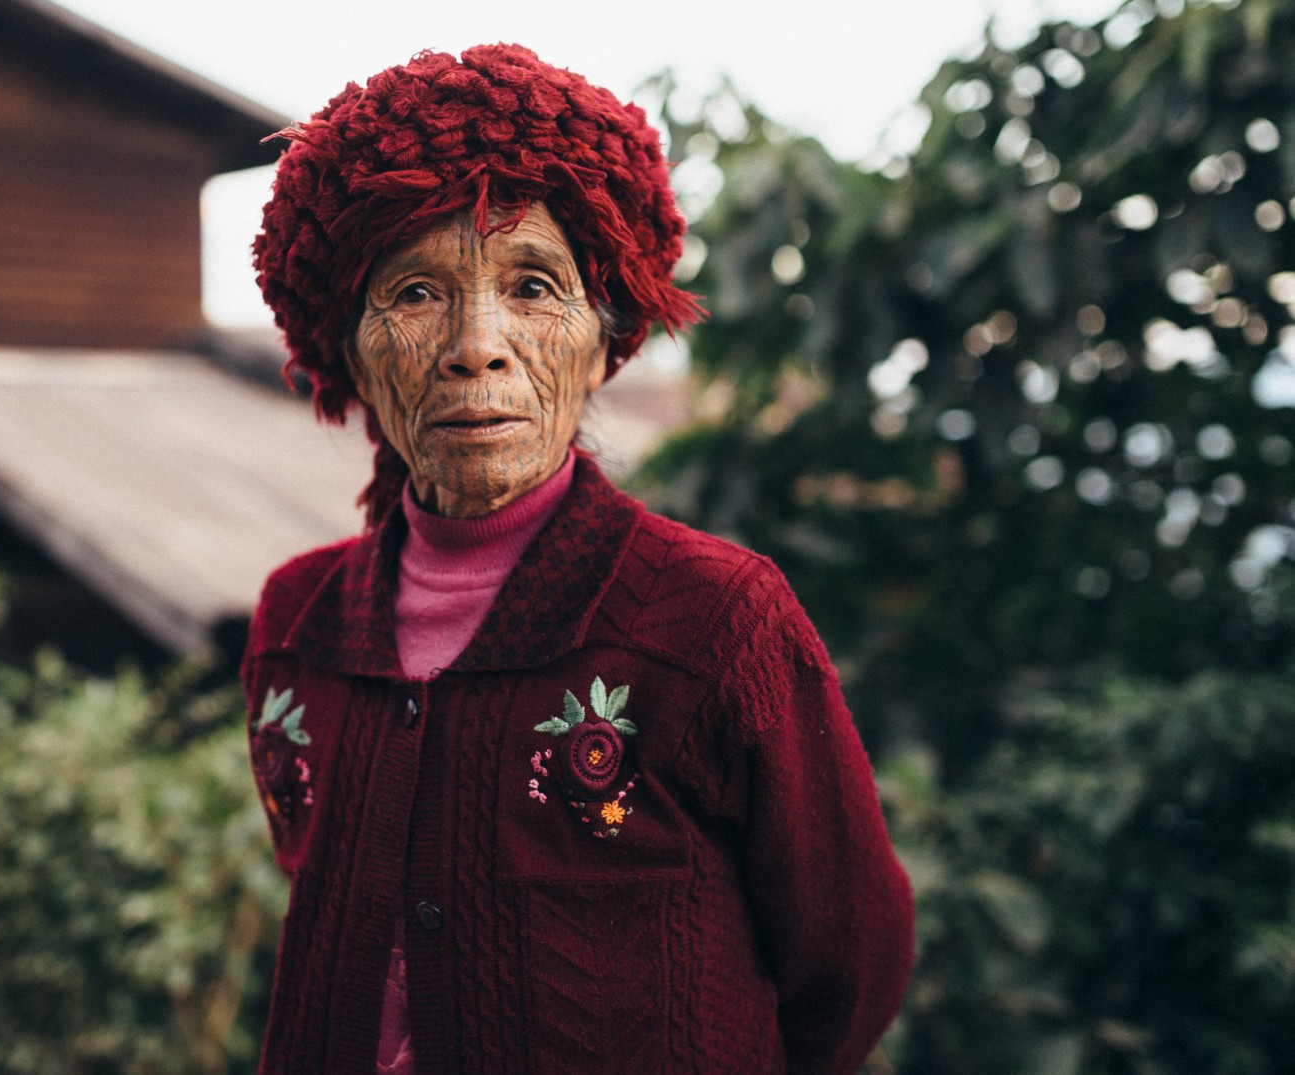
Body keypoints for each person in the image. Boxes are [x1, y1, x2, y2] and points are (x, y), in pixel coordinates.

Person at [243, 44, 914, 1075]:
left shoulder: (714, 616)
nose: (478, 343)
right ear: (352, 351)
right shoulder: (298, 623)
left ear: (603, 342)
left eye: (532, 286)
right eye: (416, 291)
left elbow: (848, 960)